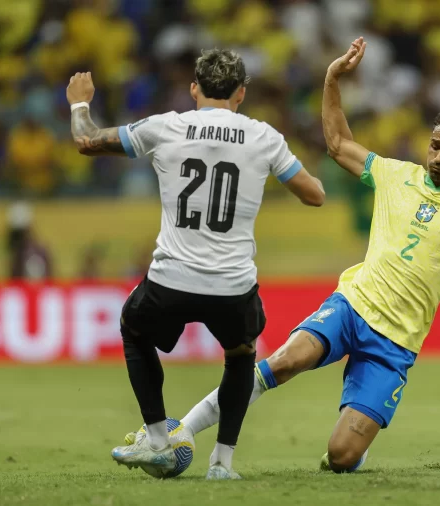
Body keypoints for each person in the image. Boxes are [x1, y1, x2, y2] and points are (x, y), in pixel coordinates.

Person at [155, 38, 440, 474]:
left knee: (341, 457)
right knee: (284, 362)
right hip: (353, 304)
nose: (438, 156)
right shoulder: (394, 173)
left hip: (396, 342)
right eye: (435, 146)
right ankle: (184, 430)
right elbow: (338, 142)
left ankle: (354, 449)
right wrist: (331, 79)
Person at [65, 48, 325, 480]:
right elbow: (314, 194)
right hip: (233, 285)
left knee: (134, 328)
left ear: (193, 89)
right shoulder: (264, 136)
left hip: (172, 277)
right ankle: (221, 463)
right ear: (241, 93)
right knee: (241, 357)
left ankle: (158, 439)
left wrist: (79, 102)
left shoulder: (166, 126)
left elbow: (86, 140)